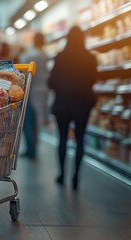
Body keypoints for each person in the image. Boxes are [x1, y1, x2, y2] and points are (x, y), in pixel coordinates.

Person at [48, 26, 97, 190]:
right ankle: (76, 177)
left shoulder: (61, 57)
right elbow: (93, 80)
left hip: (63, 103)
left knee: (62, 139)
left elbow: (52, 81)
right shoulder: (90, 58)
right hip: (83, 103)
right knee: (80, 140)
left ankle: (62, 174)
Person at [19, 33, 50, 159]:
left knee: (28, 122)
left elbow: (25, 75)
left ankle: (31, 149)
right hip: (44, 91)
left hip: (31, 92)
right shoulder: (45, 55)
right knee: (38, 121)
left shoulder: (31, 56)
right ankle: (34, 148)